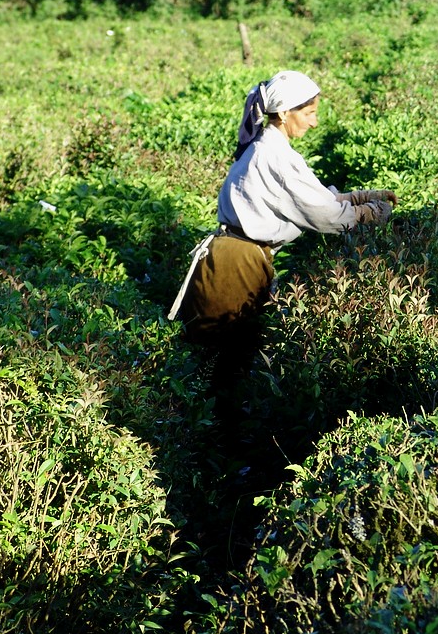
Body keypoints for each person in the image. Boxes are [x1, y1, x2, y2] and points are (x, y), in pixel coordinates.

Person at [169, 69, 397, 428]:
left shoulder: (271, 148)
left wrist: (357, 198)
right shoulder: (275, 155)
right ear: (285, 113)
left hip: (238, 256)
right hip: (237, 262)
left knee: (230, 352)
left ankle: (214, 433)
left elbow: (316, 198)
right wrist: (368, 213)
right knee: (225, 357)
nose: (314, 123)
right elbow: (325, 216)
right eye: (309, 114)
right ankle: (208, 440)